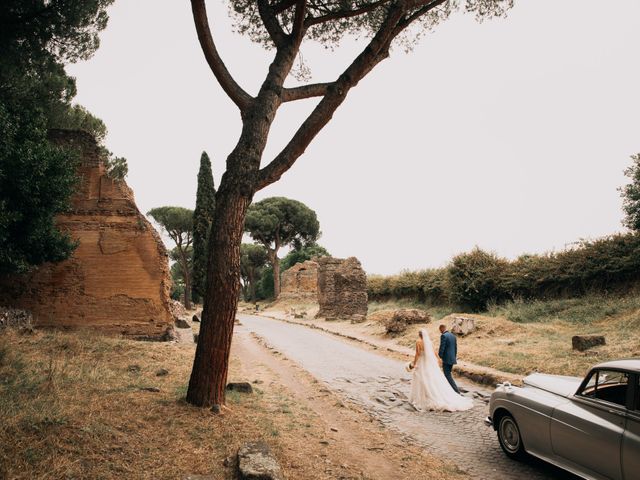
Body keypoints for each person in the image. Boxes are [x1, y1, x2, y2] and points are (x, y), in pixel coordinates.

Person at [408, 329, 473, 412]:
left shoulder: (418, 342)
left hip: (422, 362)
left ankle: (423, 397)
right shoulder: (429, 342)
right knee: (431, 379)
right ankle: (430, 394)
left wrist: (414, 363)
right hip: (429, 363)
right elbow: (434, 351)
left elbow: (417, 354)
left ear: (419, 335)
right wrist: (438, 358)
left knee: (421, 379)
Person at [438, 324, 460, 393]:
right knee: (448, 374)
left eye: (440, 330)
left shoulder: (443, 336)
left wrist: (440, 356)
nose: (440, 332)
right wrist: (454, 357)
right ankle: (448, 390)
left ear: (442, 329)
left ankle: (456, 391)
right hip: (452, 358)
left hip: (446, 359)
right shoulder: (453, 336)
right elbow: (455, 348)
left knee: (447, 375)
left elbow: (442, 347)